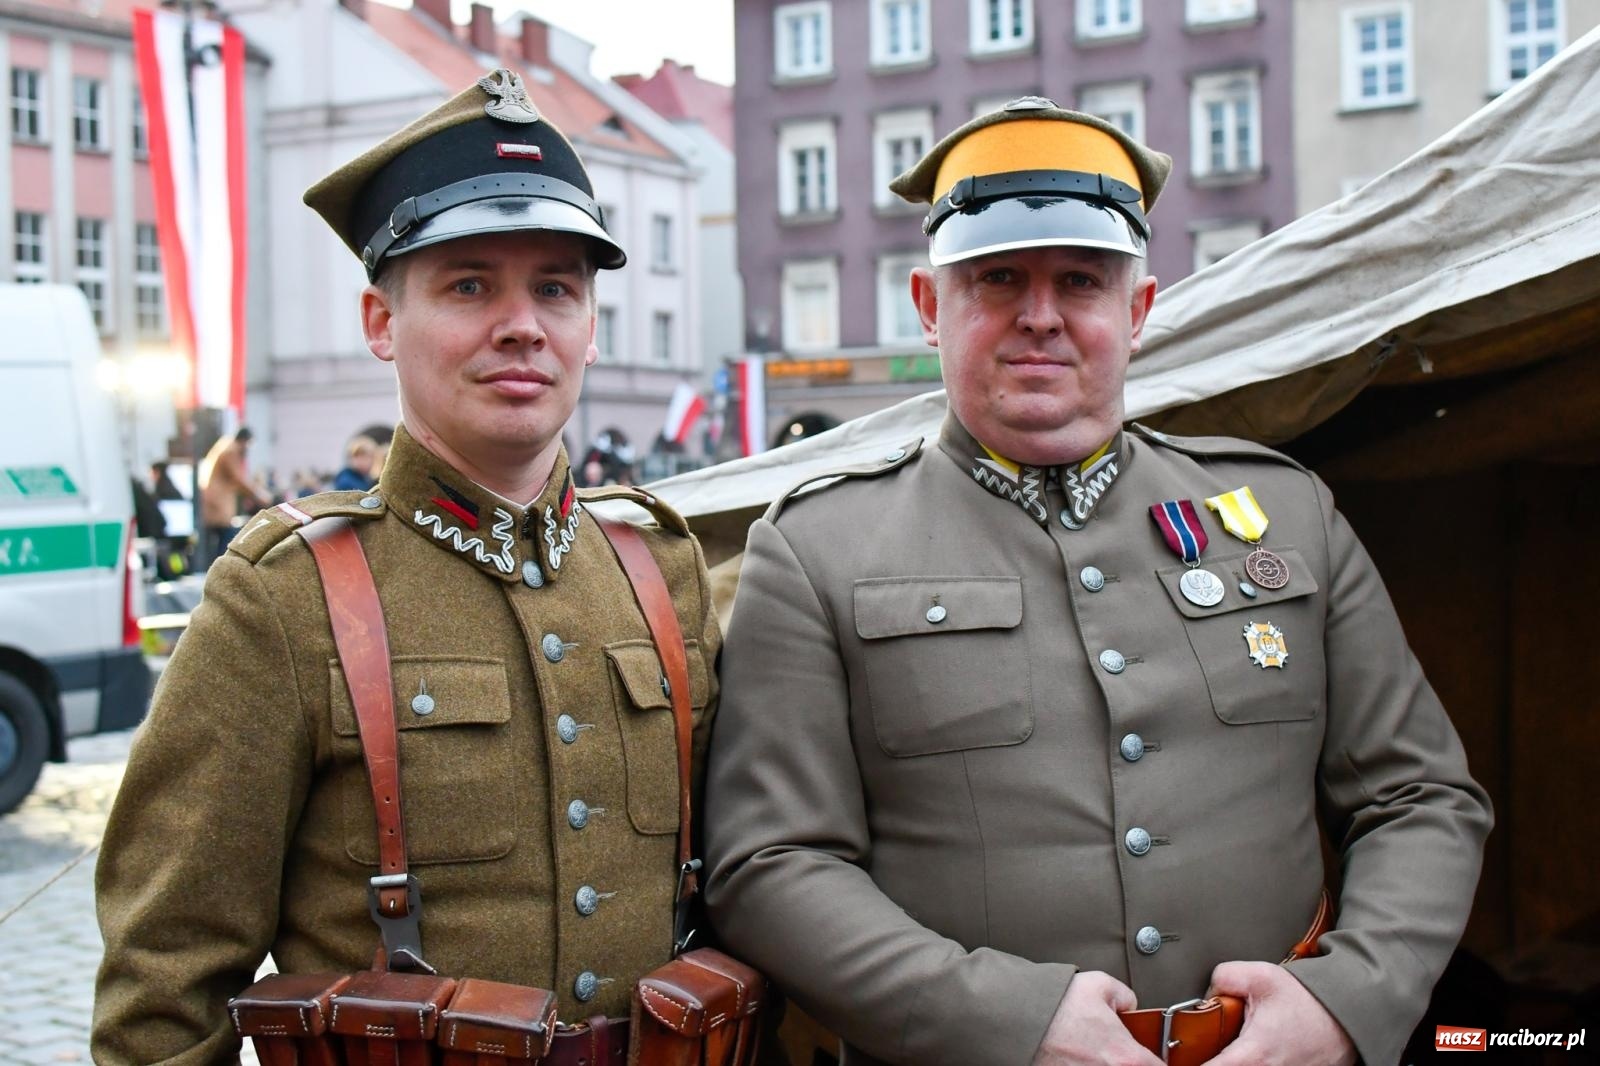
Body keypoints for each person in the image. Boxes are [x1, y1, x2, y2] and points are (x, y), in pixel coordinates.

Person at [704, 98, 1492, 1066]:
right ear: (926, 302)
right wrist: (1002, 1021)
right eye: (997, 279)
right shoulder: (817, 548)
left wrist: (1348, 1001)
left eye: (1080, 279)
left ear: (1139, 306)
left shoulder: (1288, 514)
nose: (1040, 316)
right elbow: (769, 861)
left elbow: (1420, 795)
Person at [94, 69, 721, 1062]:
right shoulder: (286, 596)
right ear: (381, 323)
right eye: (469, 283)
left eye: (555, 287)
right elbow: (167, 984)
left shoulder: (659, 565)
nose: (522, 323)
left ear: (591, 328)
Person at [198, 426, 270, 564]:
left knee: (220, 540)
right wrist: (259, 496)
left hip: (214, 503)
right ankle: (222, 570)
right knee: (226, 541)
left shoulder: (225, 446)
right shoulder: (230, 452)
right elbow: (239, 479)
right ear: (244, 441)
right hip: (218, 504)